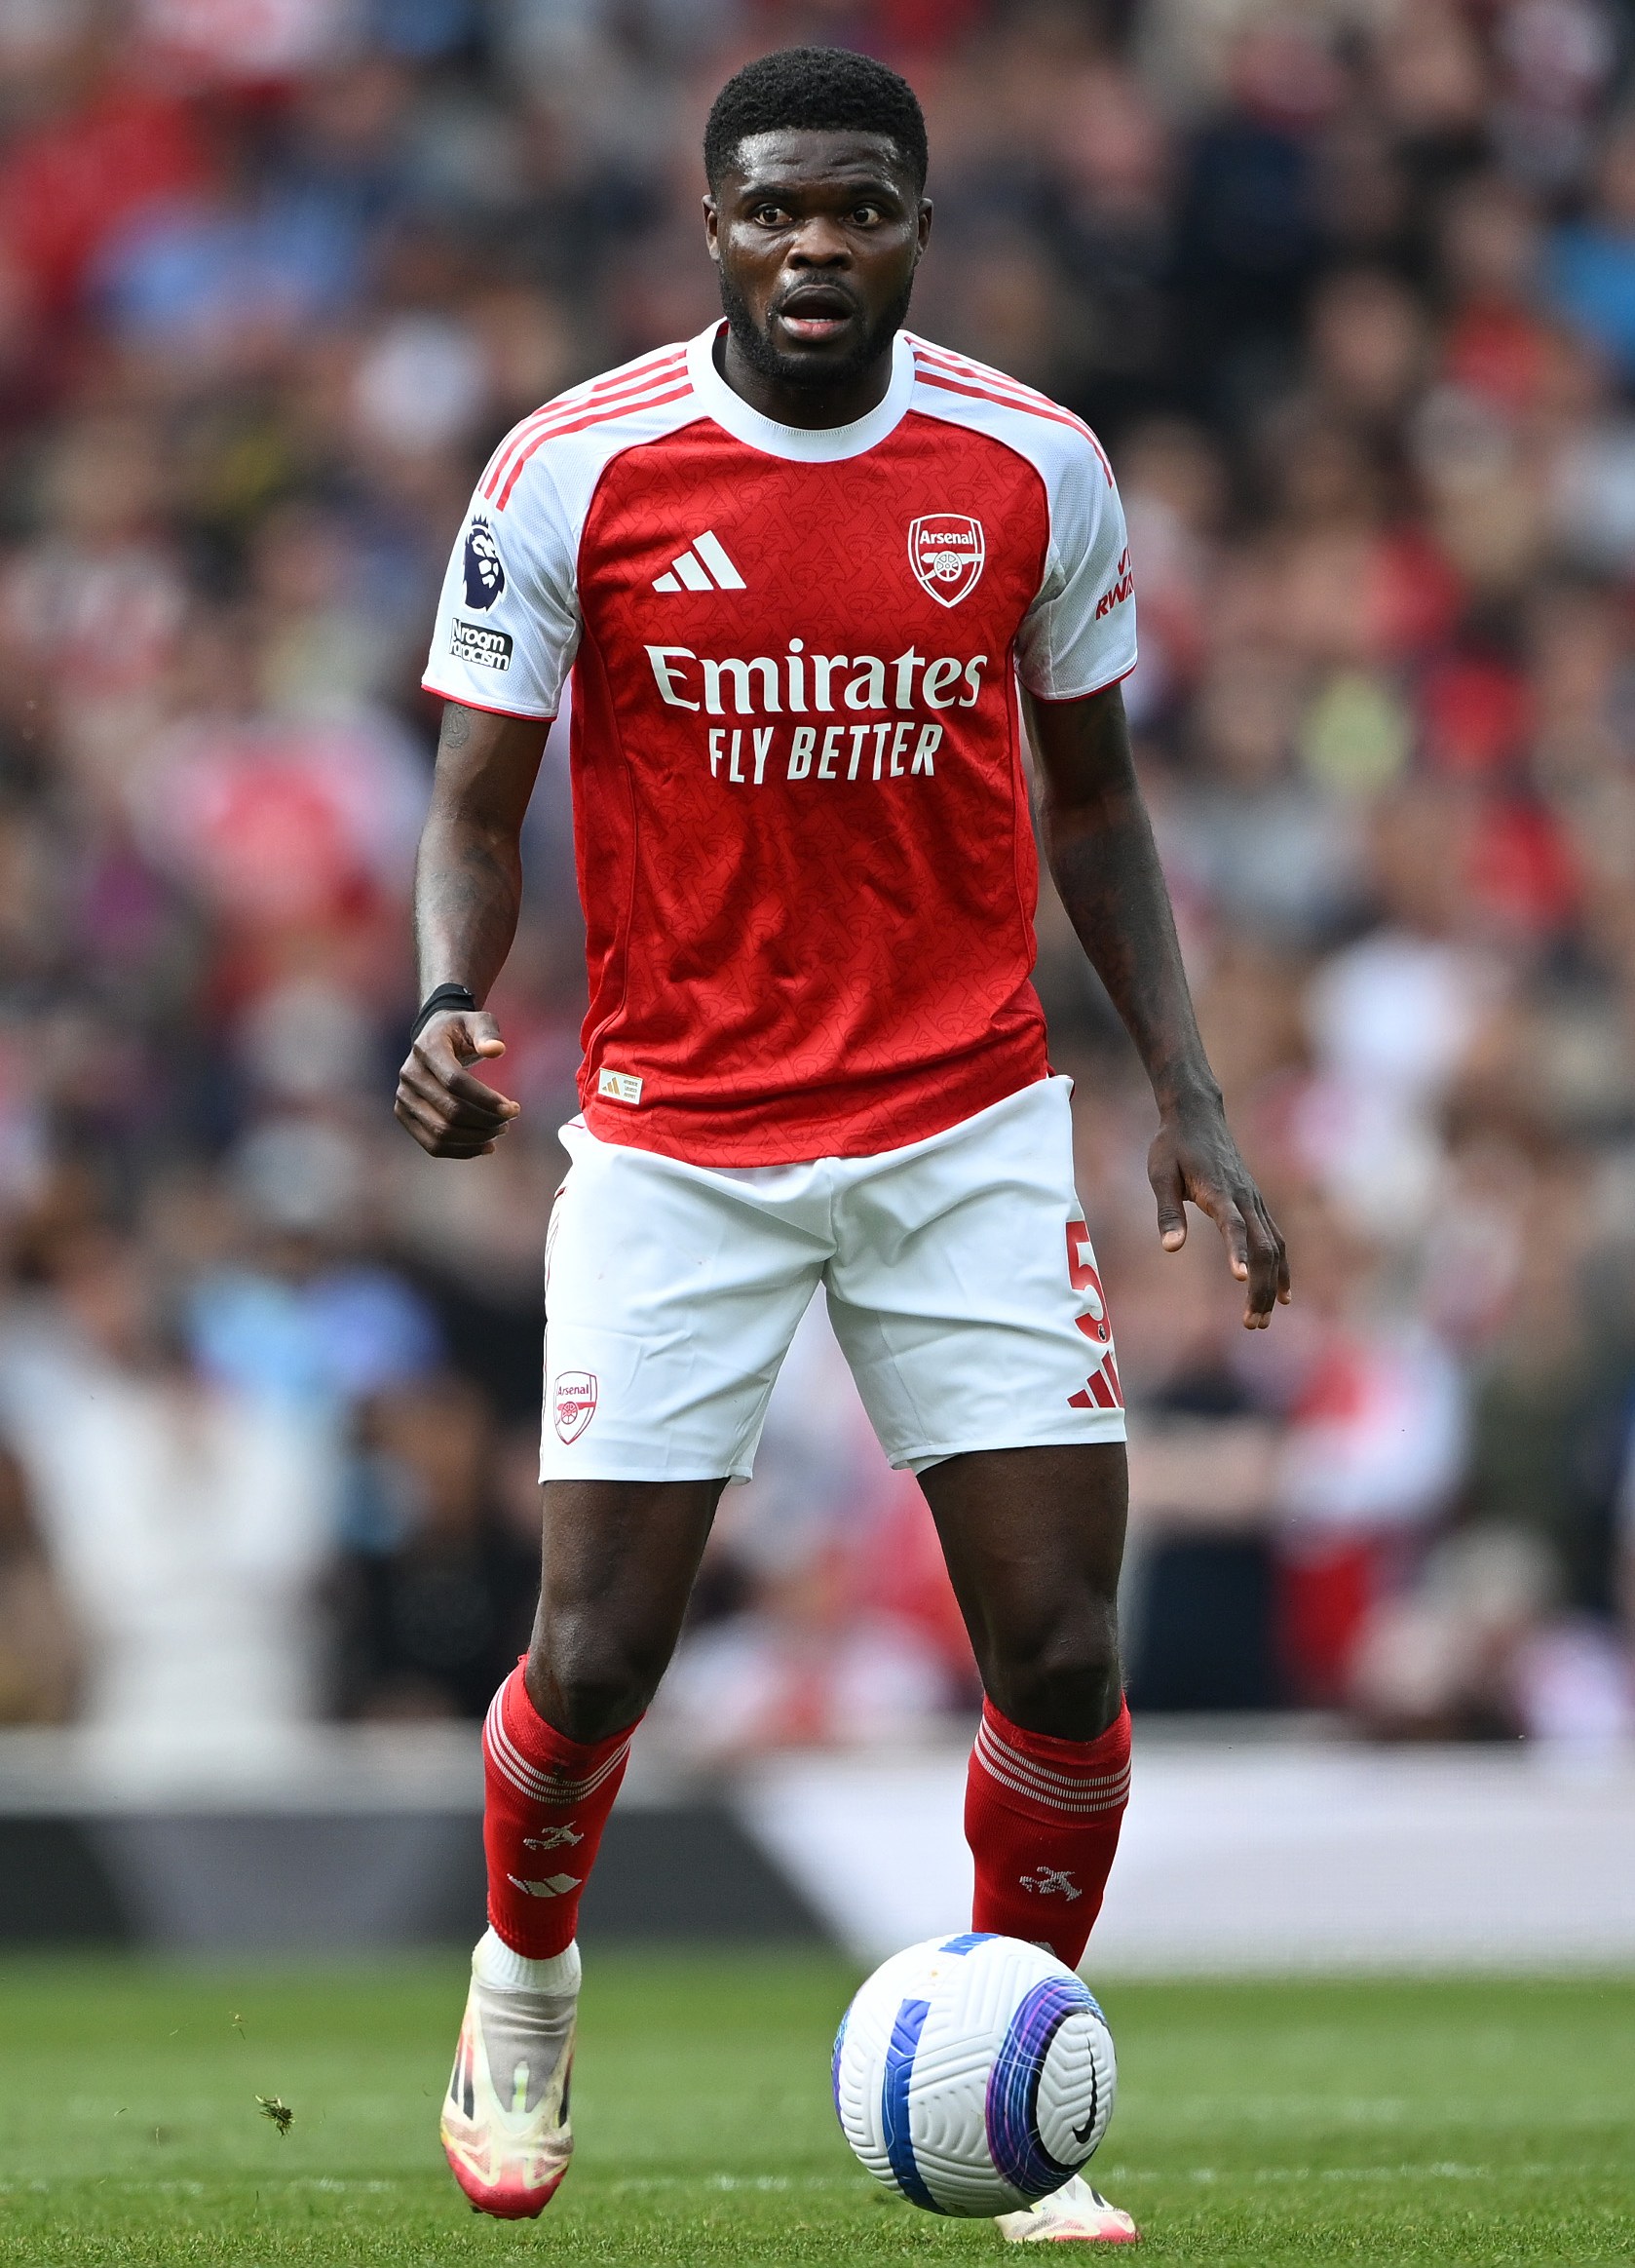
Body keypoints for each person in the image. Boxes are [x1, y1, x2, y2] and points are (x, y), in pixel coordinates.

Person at [396, 46, 1288, 2243]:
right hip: (677, 1136)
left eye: (859, 207)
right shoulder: (568, 471)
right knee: (594, 1661)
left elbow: (1090, 797)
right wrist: (441, 999)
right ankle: (523, 1981)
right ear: (708, 225)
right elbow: (470, 805)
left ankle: (1012, 2106)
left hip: (960, 1115)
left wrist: (1179, 1088)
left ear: (914, 225)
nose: (818, 243)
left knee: (1062, 1653)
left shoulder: (1031, 468)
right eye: (777, 207)